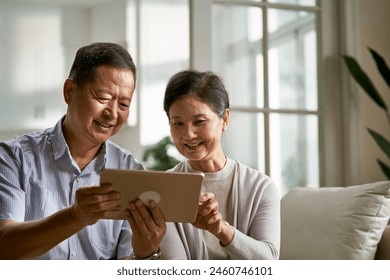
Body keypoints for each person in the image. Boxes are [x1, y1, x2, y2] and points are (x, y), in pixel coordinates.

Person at [0, 42, 167, 260]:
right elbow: (4, 247)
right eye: (103, 98)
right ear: (70, 91)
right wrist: (76, 216)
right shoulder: (14, 158)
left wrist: (146, 254)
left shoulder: (131, 171)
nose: (112, 113)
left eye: (123, 105)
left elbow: (125, 266)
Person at [163, 70, 281, 259]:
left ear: (224, 119)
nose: (188, 134)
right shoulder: (165, 188)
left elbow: (268, 261)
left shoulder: (260, 187)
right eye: (178, 123)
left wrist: (220, 229)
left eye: (199, 121)